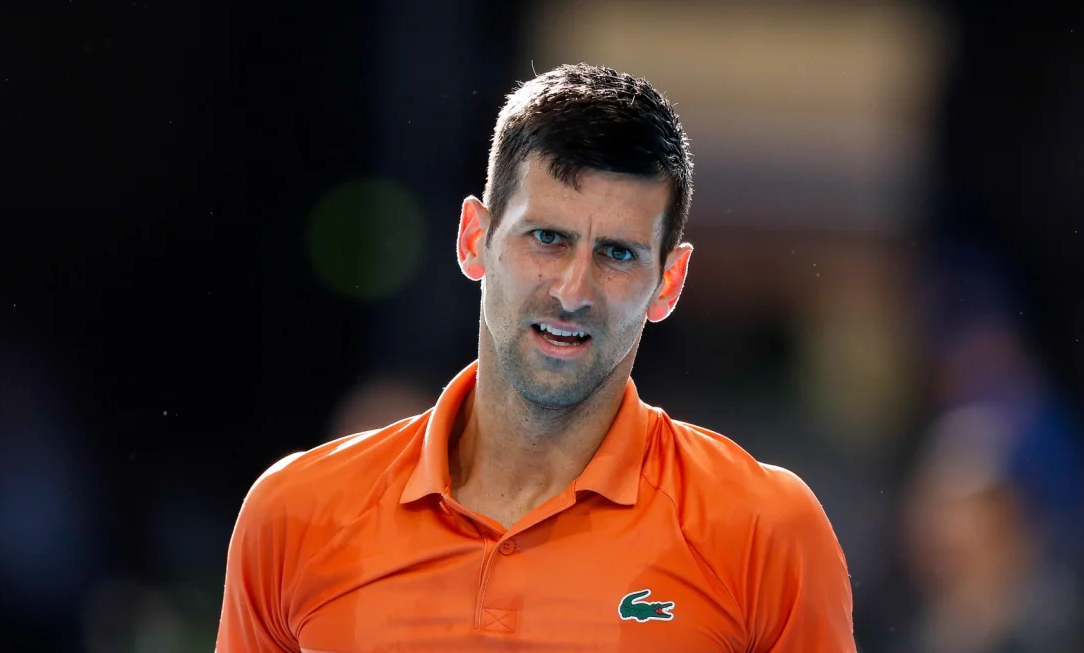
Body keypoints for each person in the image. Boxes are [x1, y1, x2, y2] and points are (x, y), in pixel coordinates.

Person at [216, 63, 854, 652]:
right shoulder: (294, 514)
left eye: (618, 253)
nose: (573, 292)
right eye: (547, 238)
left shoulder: (764, 531)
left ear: (669, 282)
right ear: (475, 239)